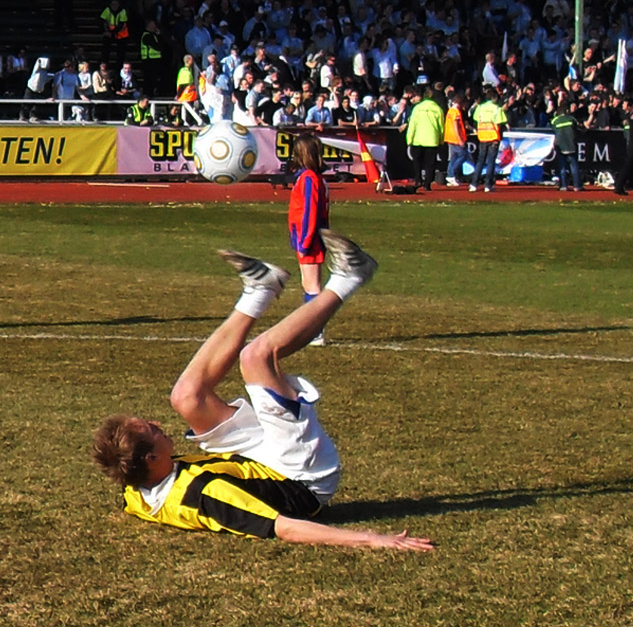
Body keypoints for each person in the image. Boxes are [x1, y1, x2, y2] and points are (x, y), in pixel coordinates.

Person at [92, 230, 434, 552]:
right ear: (152, 458)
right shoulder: (209, 494)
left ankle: (260, 290)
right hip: (298, 476)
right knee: (257, 357)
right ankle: (352, 276)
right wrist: (373, 539)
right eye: (151, 429)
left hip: (247, 462)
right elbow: (286, 527)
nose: (156, 423)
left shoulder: (134, 491)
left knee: (186, 397)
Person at [287, 133, 331, 346]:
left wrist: (304, 240)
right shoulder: (310, 177)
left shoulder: (309, 179)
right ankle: (313, 330)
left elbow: (310, 212)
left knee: (312, 285)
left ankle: (316, 331)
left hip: (310, 238)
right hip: (307, 237)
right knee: (308, 283)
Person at [406, 86, 445, 190]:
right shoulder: (438, 109)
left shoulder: (417, 108)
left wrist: (409, 139)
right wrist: (441, 139)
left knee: (417, 162)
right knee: (430, 164)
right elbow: (441, 126)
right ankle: (427, 183)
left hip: (418, 139)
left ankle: (418, 180)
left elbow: (412, 125)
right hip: (432, 139)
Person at [470, 86, 507, 193]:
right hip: (493, 137)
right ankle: (488, 185)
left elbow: (476, 119)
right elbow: (500, 123)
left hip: (482, 137)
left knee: (480, 161)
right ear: (495, 98)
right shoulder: (497, 109)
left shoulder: (480, 107)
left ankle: (474, 184)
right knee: (491, 161)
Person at [550, 103, 583, 191]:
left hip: (560, 145)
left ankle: (563, 186)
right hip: (571, 144)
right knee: (574, 166)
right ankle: (577, 186)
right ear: (567, 111)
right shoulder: (572, 119)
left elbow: (553, 130)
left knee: (562, 167)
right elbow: (579, 129)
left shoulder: (555, 121)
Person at [444, 92, 471, 186]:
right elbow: (456, 127)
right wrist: (460, 139)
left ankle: (450, 175)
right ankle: (451, 174)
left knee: (454, 157)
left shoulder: (450, 111)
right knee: (462, 155)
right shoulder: (455, 112)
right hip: (455, 138)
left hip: (450, 137)